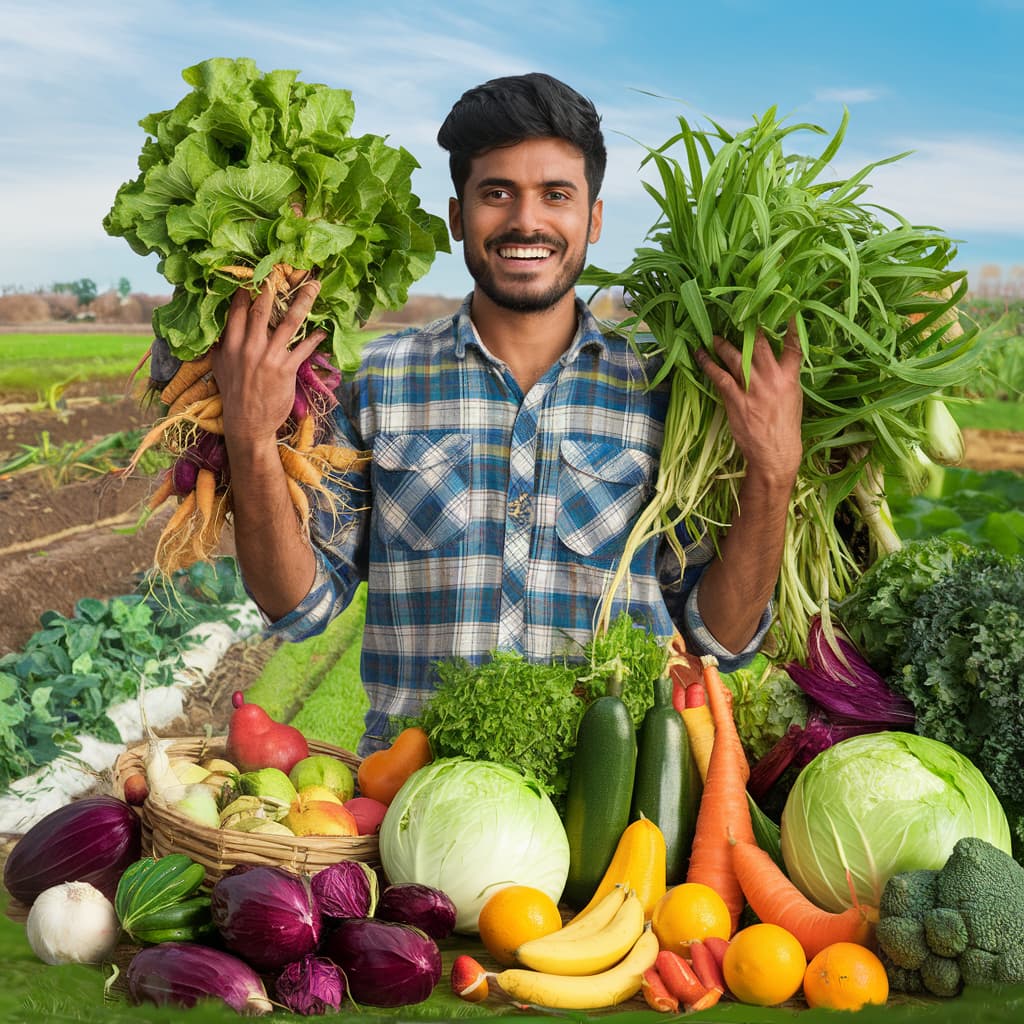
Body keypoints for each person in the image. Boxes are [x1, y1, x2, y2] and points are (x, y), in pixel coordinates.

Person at [211, 73, 803, 756]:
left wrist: (773, 470)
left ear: (594, 218)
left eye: (557, 195)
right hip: (415, 814)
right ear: (459, 216)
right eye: (498, 194)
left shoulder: (668, 391)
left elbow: (719, 639)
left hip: (614, 821)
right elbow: (301, 606)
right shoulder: (377, 380)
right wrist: (253, 440)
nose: (527, 220)